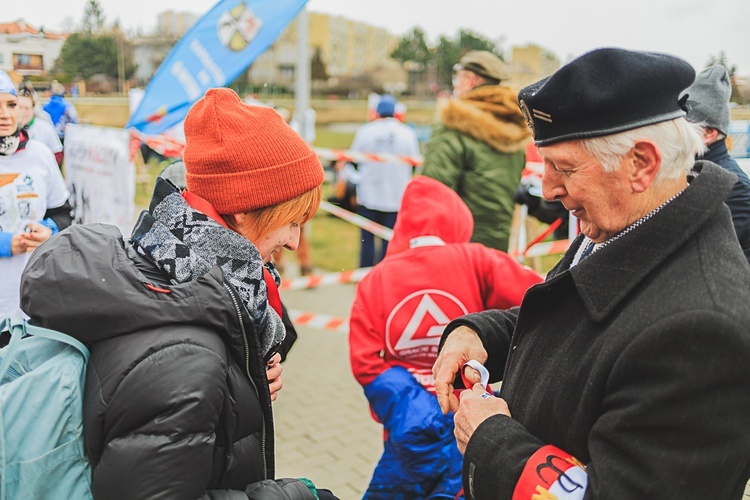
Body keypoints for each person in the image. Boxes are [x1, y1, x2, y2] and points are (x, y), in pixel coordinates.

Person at [432, 48, 750, 499]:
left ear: (642, 164)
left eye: (564, 168)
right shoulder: (629, 218)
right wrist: (482, 335)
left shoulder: (703, 330)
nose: (547, 188)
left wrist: (492, 441)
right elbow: (575, 321)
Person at [20, 88, 337, 499]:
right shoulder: (186, 353)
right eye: (291, 221)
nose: (295, 242)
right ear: (243, 210)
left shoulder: (172, 263)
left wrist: (240, 386)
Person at [350, 175, 543, 498]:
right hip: (466, 415)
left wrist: (407, 406)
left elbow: (364, 360)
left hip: (405, 428)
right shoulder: (477, 259)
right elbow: (540, 298)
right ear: (457, 221)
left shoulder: (375, 278)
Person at [421, 50, 530, 252]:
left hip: (457, 247)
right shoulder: (512, 124)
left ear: (470, 80)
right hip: (497, 247)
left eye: (457, 78)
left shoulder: (452, 122)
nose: (455, 84)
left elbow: (433, 193)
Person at [0, 70, 72, 320]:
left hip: (32, 300)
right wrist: (4, 244)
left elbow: (63, 213)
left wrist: (48, 230)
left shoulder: (39, 154)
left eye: (11, 104)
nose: (5, 115)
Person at [681, 65, 750, 263]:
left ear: (709, 133)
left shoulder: (733, 186)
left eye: (686, 127)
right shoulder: (689, 170)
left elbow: (712, 257)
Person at [349, 94, 420, 267]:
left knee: (367, 245)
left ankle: (364, 281)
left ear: (376, 111)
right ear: (395, 112)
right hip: (395, 200)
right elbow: (414, 165)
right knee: (390, 247)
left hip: (369, 197)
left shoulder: (366, 131)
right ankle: (386, 285)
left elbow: (353, 160)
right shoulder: (407, 133)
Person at [17, 84, 64, 168]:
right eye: (19, 108)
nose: (23, 112)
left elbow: (57, 153)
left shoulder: (45, 128)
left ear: (33, 109)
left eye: (27, 108)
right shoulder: (7, 129)